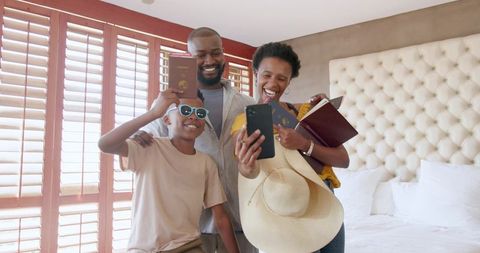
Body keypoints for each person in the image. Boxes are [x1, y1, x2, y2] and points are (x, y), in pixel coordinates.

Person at [132, 27, 257, 253]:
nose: (209, 60)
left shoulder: (246, 103)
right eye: (200, 55)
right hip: (192, 232)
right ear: (189, 59)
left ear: (223, 55)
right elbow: (145, 135)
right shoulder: (171, 103)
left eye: (216, 52)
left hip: (243, 223)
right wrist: (139, 136)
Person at [231, 42, 349, 253]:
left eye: (281, 78)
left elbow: (343, 159)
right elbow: (249, 173)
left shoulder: (305, 112)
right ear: (256, 73)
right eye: (267, 75)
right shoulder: (243, 122)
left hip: (325, 202)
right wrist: (246, 168)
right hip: (287, 207)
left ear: (289, 82)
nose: (273, 83)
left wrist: (304, 143)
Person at [98, 89, 240, 253]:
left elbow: (221, 218)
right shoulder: (148, 147)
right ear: (166, 119)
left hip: (187, 246)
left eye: (200, 113)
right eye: (185, 110)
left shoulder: (206, 163)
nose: (193, 116)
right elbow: (105, 144)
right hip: (142, 249)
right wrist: (152, 113)